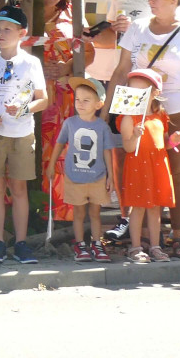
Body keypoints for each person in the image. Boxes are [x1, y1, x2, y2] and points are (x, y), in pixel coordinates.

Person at [106, 0, 180, 257]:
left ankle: (178, 235)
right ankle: (141, 237)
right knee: (135, 169)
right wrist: (107, 113)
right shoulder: (138, 26)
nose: (150, 0)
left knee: (176, 172)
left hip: (178, 107)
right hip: (135, 106)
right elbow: (121, 70)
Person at [0, 5, 49, 265]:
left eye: (7, 28)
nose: (1, 33)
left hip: (21, 133)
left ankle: (20, 243)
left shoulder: (31, 63)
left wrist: (24, 108)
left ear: (22, 33)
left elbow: (43, 99)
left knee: (19, 188)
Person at [120, 69, 180, 263]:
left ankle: (156, 246)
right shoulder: (128, 118)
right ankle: (135, 247)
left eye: (142, 91)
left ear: (155, 93)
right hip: (138, 167)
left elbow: (163, 142)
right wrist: (134, 136)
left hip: (156, 165)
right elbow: (128, 146)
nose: (137, 95)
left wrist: (173, 140)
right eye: (133, 91)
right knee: (138, 207)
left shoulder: (160, 116)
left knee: (155, 208)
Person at [46, 78, 115, 263]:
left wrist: (111, 175)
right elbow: (59, 144)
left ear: (98, 104)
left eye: (86, 100)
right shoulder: (70, 123)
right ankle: (80, 245)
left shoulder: (102, 126)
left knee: (95, 213)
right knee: (78, 213)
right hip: (75, 176)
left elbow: (107, 151)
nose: (80, 104)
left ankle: (97, 243)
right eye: (77, 99)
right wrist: (52, 165)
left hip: (97, 177)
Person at [42, 0, 90, 223]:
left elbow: (89, 52)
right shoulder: (24, 14)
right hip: (32, 98)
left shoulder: (72, 16)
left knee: (63, 155)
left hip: (64, 101)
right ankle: (32, 217)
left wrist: (68, 66)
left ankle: (64, 218)